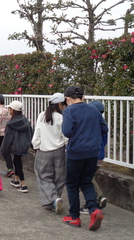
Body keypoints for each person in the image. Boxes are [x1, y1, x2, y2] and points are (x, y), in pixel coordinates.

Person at [62, 86, 108, 231]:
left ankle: (74, 217)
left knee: (72, 184)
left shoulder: (69, 110)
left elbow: (67, 132)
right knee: (87, 182)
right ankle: (94, 210)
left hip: (76, 152)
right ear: (82, 96)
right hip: (93, 152)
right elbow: (104, 129)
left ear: (67, 98)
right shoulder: (93, 109)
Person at [32, 93, 68, 214]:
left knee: (44, 176)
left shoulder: (42, 115)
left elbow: (37, 133)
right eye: (64, 104)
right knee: (59, 177)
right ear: (59, 104)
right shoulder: (62, 118)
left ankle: (53, 199)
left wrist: (35, 145)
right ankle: (55, 200)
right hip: (59, 150)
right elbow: (66, 136)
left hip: (43, 150)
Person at [80, 100, 108, 214]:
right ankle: (99, 197)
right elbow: (104, 142)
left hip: (91, 155)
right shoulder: (103, 123)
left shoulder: (91, 123)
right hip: (100, 156)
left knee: (85, 180)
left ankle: (94, 201)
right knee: (89, 178)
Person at [0, 100, 33, 193]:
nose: (9, 110)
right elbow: (31, 133)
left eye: (9, 108)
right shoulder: (25, 121)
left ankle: (23, 184)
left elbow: (7, 139)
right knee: (17, 161)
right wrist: (33, 146)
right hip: (24, 146)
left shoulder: (11, 124)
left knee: (18, 164)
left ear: (13, 110)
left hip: (15, 147)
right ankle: (16, 179)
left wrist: (4, 150)